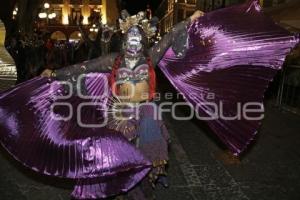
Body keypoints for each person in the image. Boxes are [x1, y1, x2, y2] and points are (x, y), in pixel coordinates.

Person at [0, 1, 298, 199]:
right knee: (115, 157)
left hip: (146, 114)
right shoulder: (112, 60)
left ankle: (141, 190)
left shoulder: (151, 57)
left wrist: (193, 20)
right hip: (118, 115)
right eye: (129, 37)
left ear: (142, 41)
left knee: (149, 159)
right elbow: (81, 68)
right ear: (122, 40)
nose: (133, 41)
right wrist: (53, 74)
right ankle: (117, 186)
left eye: (137, 38)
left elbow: (170, 37)